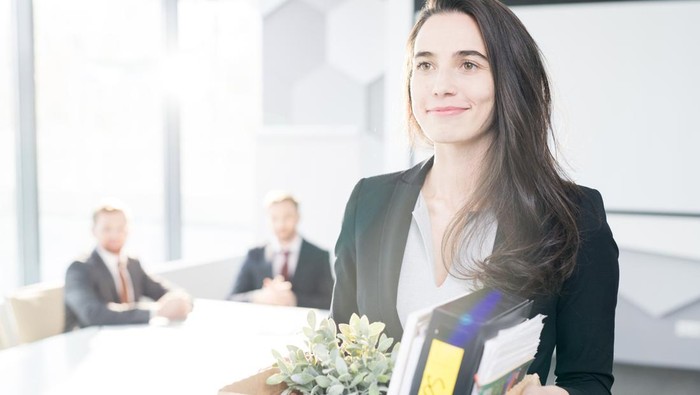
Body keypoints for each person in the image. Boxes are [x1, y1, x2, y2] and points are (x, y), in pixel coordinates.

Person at [330, 1, 619, 394]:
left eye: (468, 64)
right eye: (425, 64)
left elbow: (588, 380)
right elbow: (340, 355)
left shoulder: (574, 217)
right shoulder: (369, 201)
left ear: (510, 80)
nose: (440, 85)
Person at [64, 201, 192, 330]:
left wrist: (180, 301)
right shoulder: (79, 269)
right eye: (107, 229)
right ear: (94, 231)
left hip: (127, 338)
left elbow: (164, 291)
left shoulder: (132, 264)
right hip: (83, 343)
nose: (115, 234)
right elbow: (92, 314)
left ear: (128, 230)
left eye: (120, 228)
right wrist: (155, 311)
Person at [229, 191, 333, 309]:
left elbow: (331, 301)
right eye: (274, 218)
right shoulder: (254, 254)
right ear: (267, 220)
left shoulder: (319, 256)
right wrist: (259, 297)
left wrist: (295, 300)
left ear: (298, 217)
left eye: (287, 216)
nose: (281, 224)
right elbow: (231, 298)